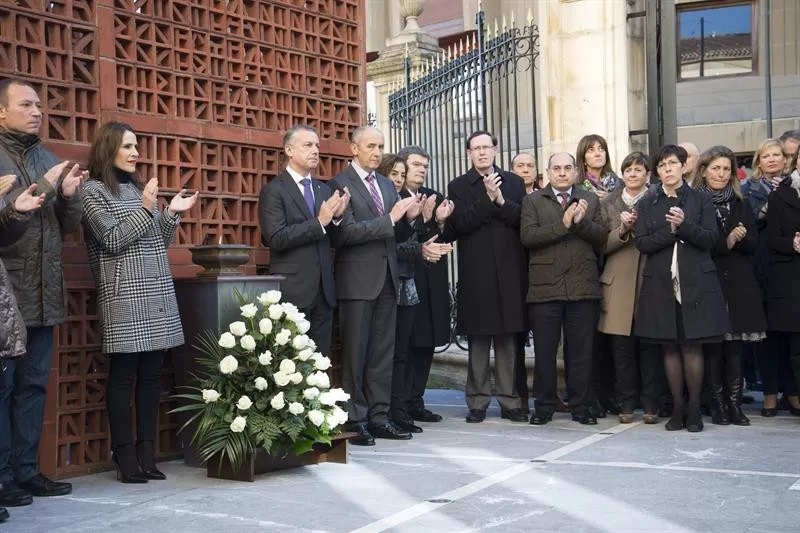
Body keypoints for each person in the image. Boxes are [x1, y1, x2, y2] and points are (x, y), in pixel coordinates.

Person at [82, 122, 198, 483]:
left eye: (136, 145)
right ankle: (124, 454)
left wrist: (171, 213)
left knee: (150, 377)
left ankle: (147, 452)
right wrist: (147, 207)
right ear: (109, 149)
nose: (135, 152)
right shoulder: (93, 191)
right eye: (128, 146)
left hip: (156, 291)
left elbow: (157, 241)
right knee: (122, 378)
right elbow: (113, 240)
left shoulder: (136, 189)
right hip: (123, 295)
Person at [0, 78, 86, 505]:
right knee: (4, 388)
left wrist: (69, 197)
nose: (37, 112)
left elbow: (64, 226)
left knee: (33, 386)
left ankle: (27, 471)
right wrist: (30, 198)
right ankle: (2, 479)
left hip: (44, 292)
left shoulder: (47, 157)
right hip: (7, 294)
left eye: (39, 105)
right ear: (1, 111)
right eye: (26, 105)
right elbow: (9, 217)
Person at [329, 126, 421, 446]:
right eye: (370, 146)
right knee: (356, 355)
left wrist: (411, 219)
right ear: (354, 149)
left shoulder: (385, 183)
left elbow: (394, 233)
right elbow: (344, 234)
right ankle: (355, 419)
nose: (377, 151)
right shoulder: (340, 184)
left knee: (383, 353)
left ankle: (380, 417)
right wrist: (392, 220)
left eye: (380, 146)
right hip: (356, 282)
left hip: (387, 279)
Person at [633, 145, 730, 432]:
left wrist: (684, 226)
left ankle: (695, 408)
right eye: (662, 166)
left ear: (684, 166)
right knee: (669, 347)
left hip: (696, 283)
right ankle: (677, 407)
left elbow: (712, 239)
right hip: (661, 284)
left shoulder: (700, 200)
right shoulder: (647, 203)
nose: (667, 169)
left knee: (692, 346)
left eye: (672, 164)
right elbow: (643, 243)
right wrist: (670, 231)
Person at [448, 130, 528, 423]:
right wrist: (488, 199)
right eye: (475, 148)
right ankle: (477, 402)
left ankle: (509, 401)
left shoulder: (515, 182)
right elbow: (460, 224)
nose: (482, 152)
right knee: (479, 342)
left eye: (486, 147)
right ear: (469, 153)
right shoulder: (458, 186)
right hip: (477, 272)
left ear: (496, 149)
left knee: (508, 341)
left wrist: (501, 201)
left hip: (510, 269)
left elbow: (522, 219)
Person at [521, 152, 606, 425]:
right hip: (545, 288)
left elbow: (602, 237)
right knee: (545, 352)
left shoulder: (589, 199)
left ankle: (581, 406)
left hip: (582, 286)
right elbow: (528, 236)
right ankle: (544, 406)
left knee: (581, 352)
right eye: (556, 168)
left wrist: (581, 222)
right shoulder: (532, 200)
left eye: (567, 168)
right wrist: (564, 224)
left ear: (575, 172)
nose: (562, 172)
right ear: (547, 172)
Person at [691, 146, 766, 426]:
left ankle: (735, 405)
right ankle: (717, 404)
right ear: (704, 170)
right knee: (713, 347)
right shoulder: (695, 202)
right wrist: (728, 241)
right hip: (708, 279)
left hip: (738, 280)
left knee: (735, 347)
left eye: (726, 169)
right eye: (716, 168)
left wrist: (741, 238)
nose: (721, 174)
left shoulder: (741, 202)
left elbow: (755, 243)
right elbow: (698, 243)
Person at [259, 125, 347, 358]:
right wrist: (319, 222)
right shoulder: (274, 190)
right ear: (289, 149)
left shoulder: (324, 189)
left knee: (320, 361)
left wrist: (336, 219)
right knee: (291, 364)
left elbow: (334, 240)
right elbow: (276, 238)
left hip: (324, 291)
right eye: (308, 145)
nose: (315, 150)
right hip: (293, 291)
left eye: (317, 145)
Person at [598, 152, 662, 424]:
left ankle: (650, 404)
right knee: (621, 349)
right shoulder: (608, 202)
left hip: (650, 278)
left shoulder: (658, 198)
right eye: (628, 169)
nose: (633, 174)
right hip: (618, 281)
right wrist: (622, 230)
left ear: (648, 174)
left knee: (650, 347)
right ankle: (625, 403)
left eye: (639, 169)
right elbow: (600, 244)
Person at [397, 146, 455, 423]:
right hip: (408, 279)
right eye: (416, 164)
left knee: (428, 342)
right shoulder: (393, 196)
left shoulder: (435, 196)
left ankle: (417, 400)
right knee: (409, 343)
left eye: (425, 165)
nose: (421, 169)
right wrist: (423, 219)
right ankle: (403, 402)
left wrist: (440, 222)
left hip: (432, 278)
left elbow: (445, 236)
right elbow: (400, 238)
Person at [0, 180, 44, 524]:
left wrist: (14, 211)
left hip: (22, 297)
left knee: (29, 386)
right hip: (17, 283)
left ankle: (21, 472)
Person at [741, 139, 796, 416]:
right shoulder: (748, 189)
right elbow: (747, 222)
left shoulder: (793, 186)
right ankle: (770, 393)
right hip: (759, 269)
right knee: (765, 336)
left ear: (786, 159)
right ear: (758, 161)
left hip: (786, 269)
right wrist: (766, 208)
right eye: (766, 156)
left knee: (788, 334)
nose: (772, 160)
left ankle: (792, 391)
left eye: (777, 155)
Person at [766, 158, 800, 410]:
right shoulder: (780, 195)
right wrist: (793, 244)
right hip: (790, 276)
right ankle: (794, 394)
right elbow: (772, 239)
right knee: (794, 343)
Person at [575, 134, 622, 199]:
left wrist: (609, 200)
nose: (598, 154)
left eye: (601, 149)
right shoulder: (576, 188)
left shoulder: (620, 184)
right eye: (591, 150)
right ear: (583, 159)